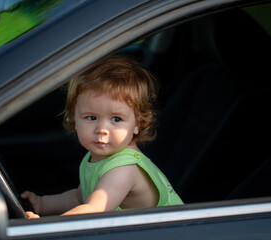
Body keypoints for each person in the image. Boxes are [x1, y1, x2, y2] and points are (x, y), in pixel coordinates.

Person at [21, 55, 183, 218]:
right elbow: (80, 197)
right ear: (74, 119)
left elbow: (93, 210)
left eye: (116, 119)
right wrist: (41, 204)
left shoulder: (123, 169)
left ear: (137, 125)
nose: (102, 129)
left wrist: (46, 226)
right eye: (91, 117)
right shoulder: (97, 157)